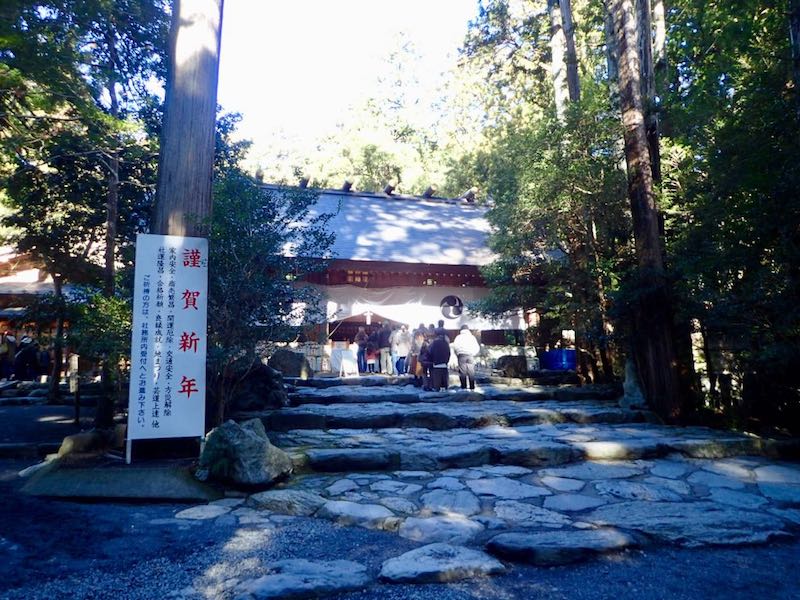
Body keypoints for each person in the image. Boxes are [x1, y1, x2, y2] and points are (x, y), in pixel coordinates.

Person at [452, 325, 481, 390]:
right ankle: (472, 387)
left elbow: (455, 347)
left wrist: (457, 354)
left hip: (461, 355)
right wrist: (473, 354)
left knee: (463, 372)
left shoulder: (458, 337)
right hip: (470, 355)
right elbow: (477, 347)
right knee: (471, 371)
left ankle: (463, 387)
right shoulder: (472, 337)